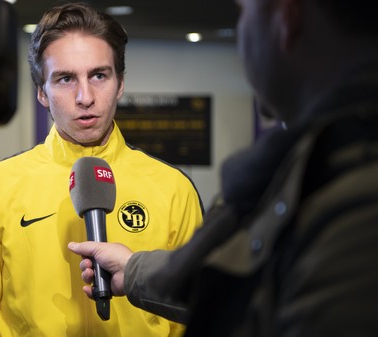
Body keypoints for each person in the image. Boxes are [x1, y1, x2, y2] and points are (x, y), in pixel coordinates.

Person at [69, 0, 378, 335]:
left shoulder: (352, 193)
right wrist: (132, 270)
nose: (84, 97)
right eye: (66, 79)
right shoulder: (311, 167)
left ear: (288, 19)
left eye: (244, 11)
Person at [0, 2, 204, 337]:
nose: (85, 96)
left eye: (99, 75)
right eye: (65, 79)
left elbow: (198, 315)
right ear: (42, 92)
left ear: (120, 83)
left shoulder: (173, 188)